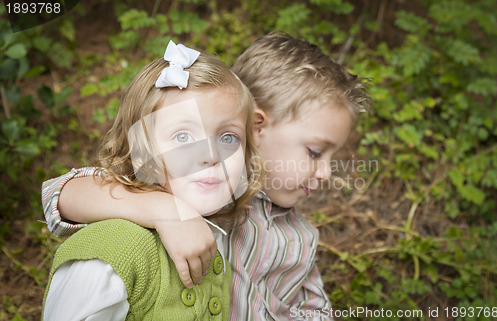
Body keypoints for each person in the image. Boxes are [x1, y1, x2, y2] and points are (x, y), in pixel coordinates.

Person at [42, 33, 373, 320]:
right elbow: (61, 193)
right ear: (256, 128)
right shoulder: (196, 190)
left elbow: (312, 310)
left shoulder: (300, 237)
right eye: (315, 152)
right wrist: (166, 210)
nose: (328, 172)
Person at [42, 40, 262, 320]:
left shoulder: (234, 229)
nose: (210, 155)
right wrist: (167, 210)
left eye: (228, 138)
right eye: (183, 137)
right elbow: (58, 192)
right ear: (141, 153)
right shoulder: (117, 251)